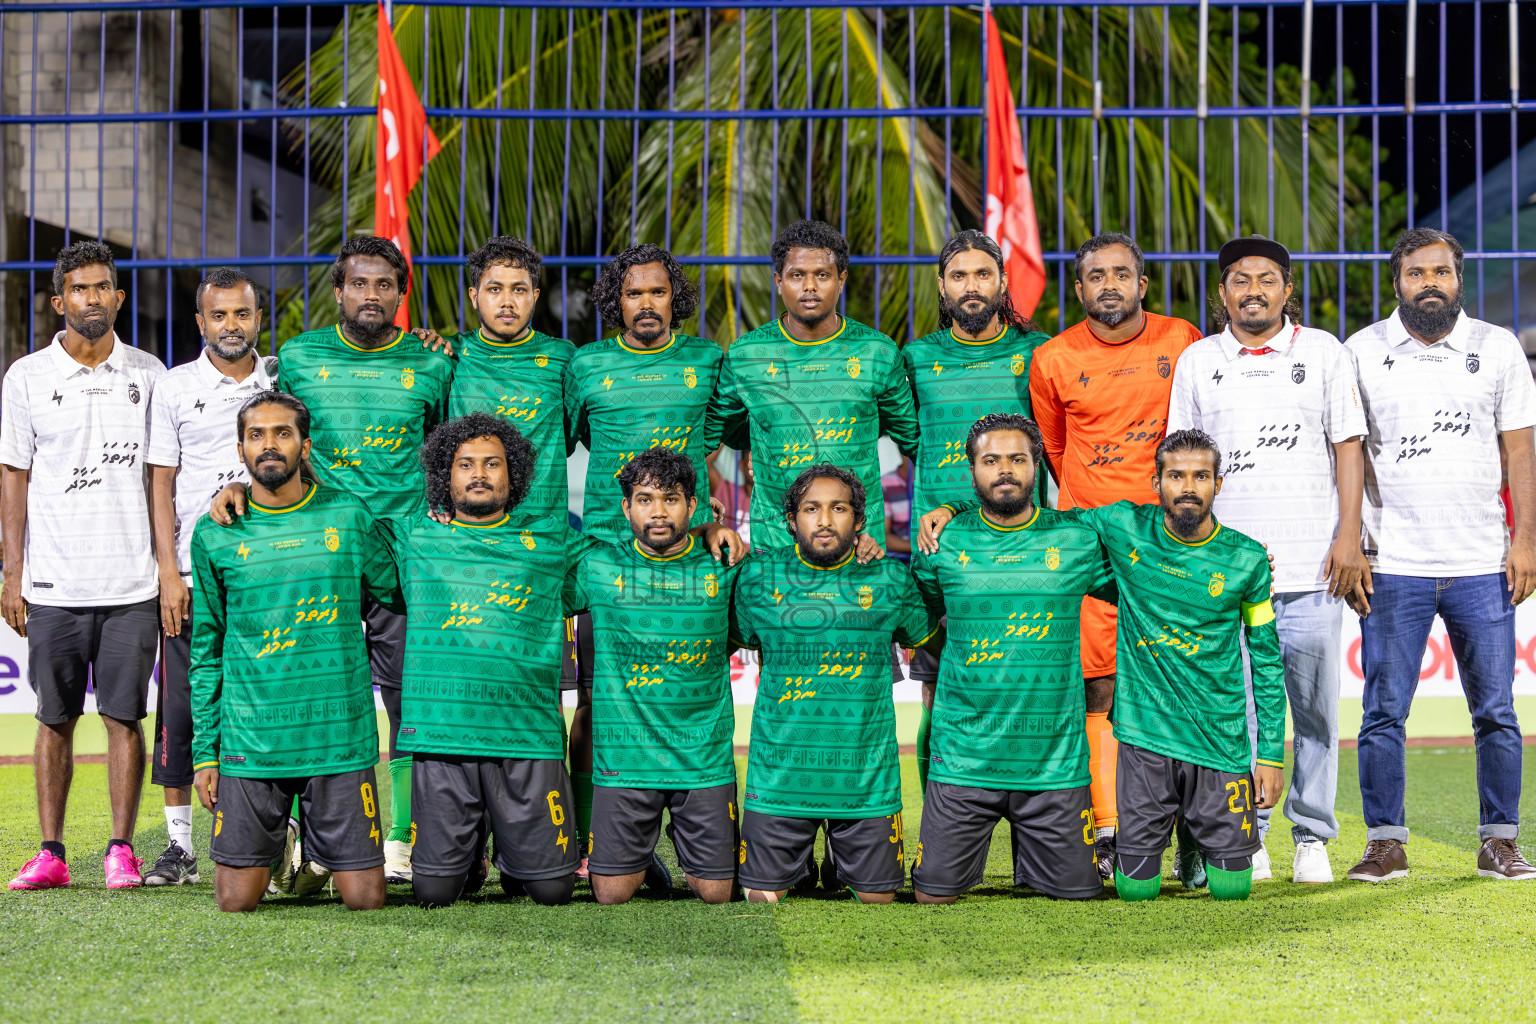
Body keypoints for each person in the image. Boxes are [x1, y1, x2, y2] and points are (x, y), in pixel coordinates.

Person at [923, 232, 1203, 877]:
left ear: (1143, 282)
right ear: (1078, 290)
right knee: (1098, 689)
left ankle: (1196, 833)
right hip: (1089, 547)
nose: (1109, 284)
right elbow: (1046, 452)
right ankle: (1109, 833)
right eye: (1095, 276)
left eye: (1121, 273)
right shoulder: (1052, 358)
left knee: (1180, 684)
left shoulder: (1181, 339)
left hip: (1169, 543)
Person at [208, 235, 453, 884]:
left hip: (402, 566)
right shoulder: (300, 356)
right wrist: (235, 485)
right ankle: (308, 837)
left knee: (410, 708)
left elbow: (452, 451)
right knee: (312, 703)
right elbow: (265, 432)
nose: (372, 295)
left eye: (385, 286)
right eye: (359, 284)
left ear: (402, 295)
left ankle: (400, 840)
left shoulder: (433, 363)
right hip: (316, 561)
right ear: (338, 291)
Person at [1167, 235, 1368, 884]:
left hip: (1314, 569)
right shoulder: (1199, 361)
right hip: (1228, 578)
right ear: (1221, 293)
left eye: (1267, 280)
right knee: (1236, 716)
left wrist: (1348, 537)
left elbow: (1347, 448)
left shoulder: (1324, 353)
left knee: (1313, 712)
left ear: (1287, 290)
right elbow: (1183, 464)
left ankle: (1312, 836)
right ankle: (1245, 838)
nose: (1253, 291)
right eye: (1239, 281)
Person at [1344, 227, 1536, 882]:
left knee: (1497, 712)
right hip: (1392, 561)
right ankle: (1385, 842)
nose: (1430, 283)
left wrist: (1527, 540)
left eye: (1442, 272)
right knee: (1382, 711)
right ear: (1396, 281)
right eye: (1416, 273)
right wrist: (1350, 540)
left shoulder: (1498, 348)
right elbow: (1345, 453)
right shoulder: (1362, 351)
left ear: (1459, 279)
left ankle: (1500, 840)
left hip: (1482, 562)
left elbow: (1519, 453)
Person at [3, 241, 168, 892]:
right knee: (53, 718)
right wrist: (11, 572)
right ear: (58, 301)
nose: (92, 298)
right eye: (79, 289)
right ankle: (50, 851)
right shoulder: (26, 378)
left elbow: (162, 477)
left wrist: (165, 572)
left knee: (124, 719)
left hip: (132, 582)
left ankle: (120, 850)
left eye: (103, 287)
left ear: (118, 298)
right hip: (53, 582)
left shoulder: (150, 374)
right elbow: (12, 477)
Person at [190, 392, 395, 912]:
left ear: (305, 445)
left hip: (337, 736)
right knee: (236, 901)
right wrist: (205, 753)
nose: (269, 445)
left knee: (365, 900)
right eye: (256, 435)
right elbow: (206, 650)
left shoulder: (348, 517)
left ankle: (318, 844)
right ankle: (282, 842)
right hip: (253, 739)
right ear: (240, 449)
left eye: (282, 433)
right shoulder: (215, 533)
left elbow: (396, 589)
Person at [563, 243, 725, 875]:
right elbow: (567, 435)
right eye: (634, 293)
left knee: (689, 693)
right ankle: (587, 842)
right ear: (617, 301)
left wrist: (706, 520)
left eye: (658, 292)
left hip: (686, 562)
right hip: (610, 561)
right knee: (596, 706)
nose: (647, 303)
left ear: (674, 298)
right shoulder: (586, 365)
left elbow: (716, 438)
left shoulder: (707, 362)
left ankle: (690, 832)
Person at [909, 414, 1113, 902]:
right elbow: (917, 622)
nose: (1005, 471)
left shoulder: (1077, 538)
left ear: (1037, 464)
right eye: (992, 460)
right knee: (931, 894)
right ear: (972, 469)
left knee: (1078, 897)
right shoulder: (942, 542)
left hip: (1054, 768)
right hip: (964, 764)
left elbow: (1136, 589)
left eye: (1018, 459)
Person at [393, 413, 588, 908]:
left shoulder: (552, 542)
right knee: (434, 893)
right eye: (465, 464)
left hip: (527, 739)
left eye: (492, 464)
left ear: (513, 474)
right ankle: (473, 849)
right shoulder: (413, 539)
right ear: (445, 475)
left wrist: (704, 526)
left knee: (552, 891)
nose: (479, 473)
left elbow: (633, 555)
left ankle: (516, 853)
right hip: (443, 738)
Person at [1089, 429, 1285, 901]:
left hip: (1219, 742)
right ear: (1156, 482)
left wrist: (1272, 755)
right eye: (1176, 475)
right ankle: (1181, 832)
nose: (1189, 487)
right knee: (1135, 892)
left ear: (1219, 483)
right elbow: (1043, 527)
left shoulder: (1248, 559)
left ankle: (1194, 840)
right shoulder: (1122, 525)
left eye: (1201, 476)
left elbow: (1267, 661)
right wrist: (955, 511)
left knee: (1232, 891)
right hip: (1144, 737)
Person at [731, 465, 940, 903]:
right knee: (758, 897)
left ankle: (836, 858)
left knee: (877, 901)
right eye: (811, 509)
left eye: (838, 508)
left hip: (866, 786)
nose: (824, 520)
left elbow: (933, 646)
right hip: (779, 783)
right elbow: (719, 645)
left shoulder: (891, 579)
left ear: (859, 520)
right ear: (791, 520)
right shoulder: (755, 580)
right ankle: (802, 857)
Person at [902, 230, 1053, 795]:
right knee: (938, 695)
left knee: (1024, 692)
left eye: (982, 274)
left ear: (1002, 282)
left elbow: (1054, 450)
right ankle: (936, 831)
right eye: (959, 275)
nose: (972, 286)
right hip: (938, 557)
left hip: (1020, 552)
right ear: (942, 285)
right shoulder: (914, 359)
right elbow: (898, 437)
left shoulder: (1035, 354)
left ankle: (1031, 838)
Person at [142, 267, 277, 887]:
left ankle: (282, 838)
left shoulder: (282, 379)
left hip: (273, 574)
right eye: (218, 316)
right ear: (200, 323)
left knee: (271, 702)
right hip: (195, 576)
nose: (231, 326)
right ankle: (179, 847)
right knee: (181, 708)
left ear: (257, 318)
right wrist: (169, 572)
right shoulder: (172, 388)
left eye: (242, 314)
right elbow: (161, 485)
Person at [568, 448, 741, 905]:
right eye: (644, 499)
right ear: (626, 508)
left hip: (701, 760)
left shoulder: (727, 564)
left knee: (717, 893)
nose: (658, 511)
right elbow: (528, 550)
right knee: (610, 895)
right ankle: (640, 856)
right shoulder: (598, 566)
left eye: (671, 499)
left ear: (692, 504)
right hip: (626, 761)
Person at [707, 220, 921, 551]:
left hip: (860, 545)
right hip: (777, 545)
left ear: (841, 280)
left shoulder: (877, 352)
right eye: (796, 275)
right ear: (779, 281)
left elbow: (912, 439)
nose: (809, 286)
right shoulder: (746, 354)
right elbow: (722, 433)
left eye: (822, 275)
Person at [446, 236, 575, 521]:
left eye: (519, 289)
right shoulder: (449, 355)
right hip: (470, 528)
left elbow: (572, 434)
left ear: (535, 295)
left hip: (543, 529)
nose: (507, 302)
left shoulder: (563, 358)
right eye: (494, 289)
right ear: (473, 295)